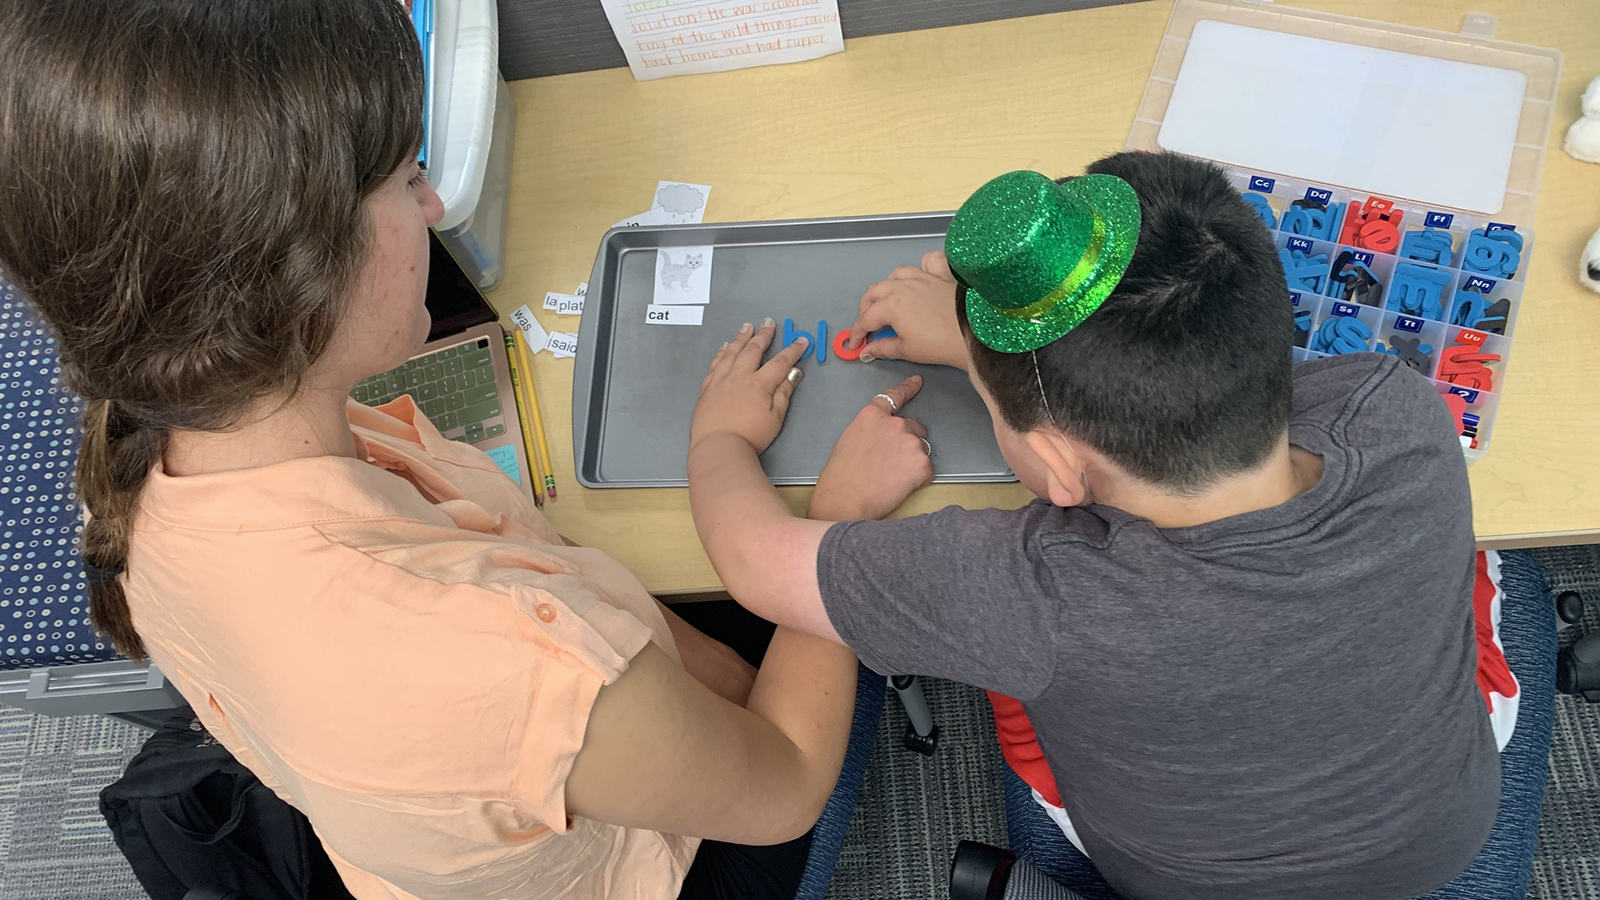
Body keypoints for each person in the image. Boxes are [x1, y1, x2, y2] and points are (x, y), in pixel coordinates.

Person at [0, 2, 927, 898]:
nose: (437, 201)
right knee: (882, 630)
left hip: (494, 783)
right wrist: (831, 527)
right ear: (298, 280)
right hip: (669, 854)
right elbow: (788, 785)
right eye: (407, 179)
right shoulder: (495, 669)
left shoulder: (159, 444)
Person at [684, 153, 1513, 900]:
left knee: (1023, 686)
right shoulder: (1393, 407)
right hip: (1445, 830)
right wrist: (990, 356)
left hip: (1173, 880)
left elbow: (756, 568)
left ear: (1059, 470)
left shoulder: (1038, 595)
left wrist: (719, 436)